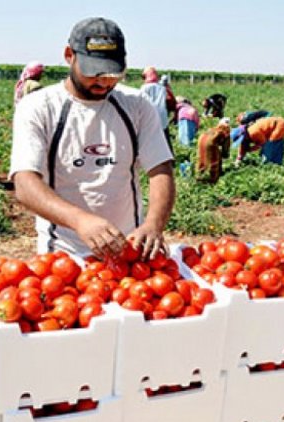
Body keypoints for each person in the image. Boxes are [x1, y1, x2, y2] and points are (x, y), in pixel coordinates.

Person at [10, 17, 175, 260]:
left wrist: (153, 224)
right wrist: (80, 221)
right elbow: (25, 183)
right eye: (92, 71)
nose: (103, 80)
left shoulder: (137, 105)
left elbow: (160, 168)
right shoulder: (38, 107)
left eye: (112, 72)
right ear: (69, 55)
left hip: (129, 250)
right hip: (63, 256)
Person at [139, 66, 171, 146]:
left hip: (150, 117)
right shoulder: (162, 88)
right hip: (163, 117)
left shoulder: (144, 88)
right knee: (165, 142)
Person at [195, 117, 231, 183]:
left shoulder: (214, 128)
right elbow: (225, 148)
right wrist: (225, 154)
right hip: (211, 142)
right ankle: (212, 180)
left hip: (202, 139)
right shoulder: (226, 130)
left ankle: (199, 176)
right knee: (213, 159)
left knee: (202, 157)